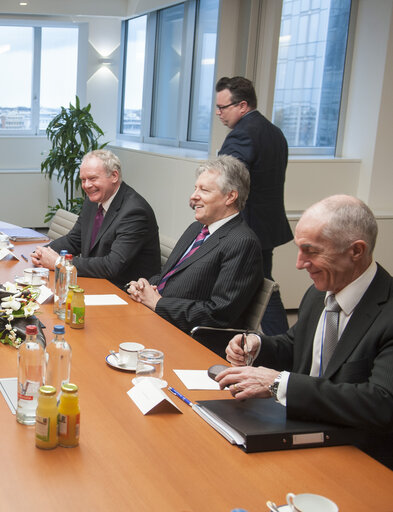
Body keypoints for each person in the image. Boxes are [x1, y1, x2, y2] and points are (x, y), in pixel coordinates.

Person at [218, 195, 393, 468]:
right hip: (296, 430)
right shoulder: (318, 293)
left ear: (356, 251)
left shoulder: (388, 312)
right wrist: (258, 345)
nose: (299, 263)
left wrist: (278, 384)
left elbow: (380, 403)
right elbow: (296, 345)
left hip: (358, 454)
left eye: (311, 251)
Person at [126, 156, 263, 346]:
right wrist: (145, 286)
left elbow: (219, 314)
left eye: (204, 190)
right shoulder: (196, 228)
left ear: (230, 197)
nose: (193, 196)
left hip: (189, 339)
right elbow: (169, 277)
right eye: (195, 188)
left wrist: (158, 303)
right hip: (158, 321)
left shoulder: (242, 242)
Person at [216, 76, 291, 335]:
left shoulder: (241, 135)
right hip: (267, 226)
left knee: (261, 290)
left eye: (223, 107)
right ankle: (275, 342)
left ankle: (279, 344)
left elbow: (227, 184)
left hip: (247, 228)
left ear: (243, 105)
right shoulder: (275, 133)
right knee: (262, 286)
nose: (218, 113)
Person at [31, 149, 160, 287]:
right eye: (83, 180)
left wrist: (59, 263)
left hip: (125, 293)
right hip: (96, 282)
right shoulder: (94, 200)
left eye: (92, 178)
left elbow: (113, 265)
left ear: (114, 176)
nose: (86, 185)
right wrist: (42, 253)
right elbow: (74, 240)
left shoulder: (135, 211)